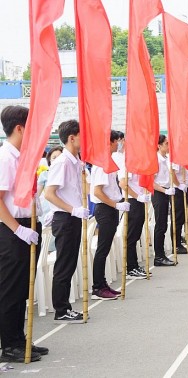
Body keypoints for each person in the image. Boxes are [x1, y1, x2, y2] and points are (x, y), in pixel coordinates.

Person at [0, 105, 48, 362]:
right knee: (10, 289)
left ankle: (20, 339)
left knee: (21, 289)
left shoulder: (22, 156)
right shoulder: (5, 157)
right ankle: (9, 345)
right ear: (19, 128)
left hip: (27, 224)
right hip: (12, 228)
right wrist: (18, 229)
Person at [44, 120, 89, 322]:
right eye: (81, 135)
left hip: (73, 216)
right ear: (72, 138)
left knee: (69, 263)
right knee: (64, 263)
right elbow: (49, 194)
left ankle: (64, 306)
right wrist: (73, 209)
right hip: (65, 217)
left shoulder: (75, 161)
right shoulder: (62, 162)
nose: (84, 139)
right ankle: (61, 308)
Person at [90, 130, 130, 299]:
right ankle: (97, 287)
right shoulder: (101, 164)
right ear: (110, 142)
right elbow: (98, 192)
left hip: (111, 208)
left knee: (105, 248)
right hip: (105, 209)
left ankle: (103, 283)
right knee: (102, 248)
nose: (118, 144)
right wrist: (116, 204)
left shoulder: (110, 162)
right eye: (117, 141)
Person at [118, 158, 152, 280]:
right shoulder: (127, 162)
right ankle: (131, 268)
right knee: (131, 236)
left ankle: (134, 265)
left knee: (136, 235)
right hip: (133, 200)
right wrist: (137, 196)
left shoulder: (138, 162)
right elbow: (122, 183)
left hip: (139, 200)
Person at [152, 135, 177, 266]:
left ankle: (161, 254)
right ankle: (159, 256)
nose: (168, 146)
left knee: (164, 225)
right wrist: (164, 190)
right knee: (160, 225)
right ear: (159, 145)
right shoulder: (156, 160)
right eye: (166, 143)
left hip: (165, 191)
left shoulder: (165, 159)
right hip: (159, 193)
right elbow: (151, 181)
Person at [171, 163, 188, 254]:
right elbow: (172, 173)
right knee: (177, 218)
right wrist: (179, 185)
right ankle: (176, 245)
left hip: (184, 188)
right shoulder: (176, 158)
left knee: (182, 218)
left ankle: (179, 242)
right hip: (178, 189)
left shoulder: (184, 158)